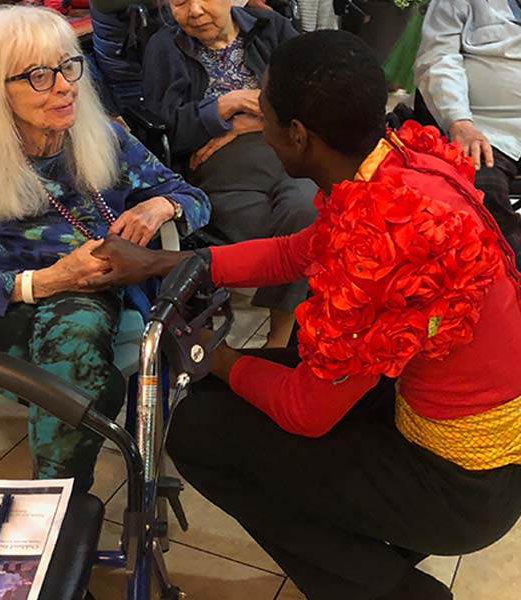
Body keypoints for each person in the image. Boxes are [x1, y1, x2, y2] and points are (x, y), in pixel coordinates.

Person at [85, 30, 521, 600]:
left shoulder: (382, 240)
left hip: (463, 487)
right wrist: (163, 261)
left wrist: (217, 359)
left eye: (262, 113)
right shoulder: (394, 169)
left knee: (198, 430)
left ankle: (392, 590)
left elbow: (306, 412)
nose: (255, 124)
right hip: (468, 440)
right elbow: (295, 251)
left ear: (296, 134)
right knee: (231, 397)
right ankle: (367, 550)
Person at [0, 5, 209, 493]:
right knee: (84, 365)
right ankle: (65, 506)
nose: (64, 85)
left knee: (78, 334)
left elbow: (195, 200)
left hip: (90, 296)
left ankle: (54, 508)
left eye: (69, 65)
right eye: (38, 75)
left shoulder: (103, 136)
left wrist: (158, 206)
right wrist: (46, 281)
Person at [142, 0, 318, 347]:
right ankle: (279, 337)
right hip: (221, 169)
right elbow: (166, 130)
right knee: (280, 228)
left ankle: (279, 336)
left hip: (288, 153)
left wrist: (247, 124)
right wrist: (227, 104)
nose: (194, 11)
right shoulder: (165, 46)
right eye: (179, 2)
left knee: (307, 210)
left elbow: (311, 94)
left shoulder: (272, 28)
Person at [414, 0, 521, 268]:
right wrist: (460, 122)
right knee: (481, 187)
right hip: (484, 129)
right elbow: (438, 59)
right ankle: (511, 283)